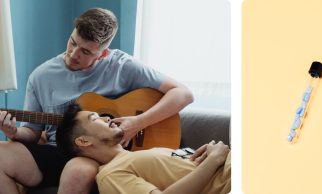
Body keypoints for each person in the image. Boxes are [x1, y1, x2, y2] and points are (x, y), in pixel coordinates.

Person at [0, 7, 193, 194]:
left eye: (86, 51)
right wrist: (14, 132)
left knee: (78, 171)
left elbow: (183, 94)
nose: (74, 54)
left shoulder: (123, 66)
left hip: (98, 153)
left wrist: (138, 123)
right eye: (73, 42)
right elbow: (32, 133)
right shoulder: (41, 76)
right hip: (56, 151)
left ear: (103, 53)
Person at [56, 103, 230, 194]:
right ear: (83, 141)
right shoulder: (111, 175)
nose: (106, 118)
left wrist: (211, 152)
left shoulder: (141, 154)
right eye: (95, 118)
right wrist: (214, 160)